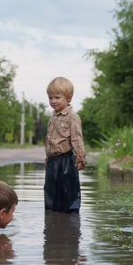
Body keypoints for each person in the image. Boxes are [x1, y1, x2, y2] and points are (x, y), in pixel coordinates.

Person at [44, 76, 86, 213]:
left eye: (57, 97)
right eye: (50, 98)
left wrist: (80, 157)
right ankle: (51, 216)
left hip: (66, 160)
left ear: (69, 98)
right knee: (51, 190)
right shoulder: (53, 116)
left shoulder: (72, 117)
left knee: (67, 191)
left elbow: (77, 139)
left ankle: (70, 220)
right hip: (52, 160)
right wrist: (47, 157)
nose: (53, 101)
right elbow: (50, 139)